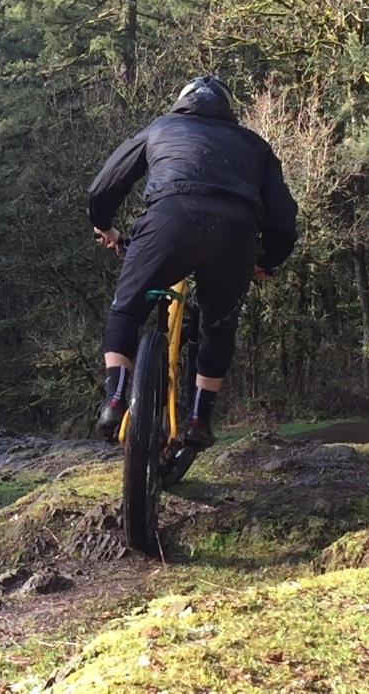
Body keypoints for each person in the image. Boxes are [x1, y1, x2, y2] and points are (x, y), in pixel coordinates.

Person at [88, 75, 298, 480]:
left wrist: (105, 226)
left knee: (127, 311)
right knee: (217, 328)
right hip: (237, 232)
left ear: (183, 103)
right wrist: (268, 260)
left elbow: (104, 187)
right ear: (228, 109)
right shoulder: (254, 145)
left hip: (170, 219)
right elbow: (284, 218)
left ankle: (115, 398)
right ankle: (200, 419)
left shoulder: (163, 127)